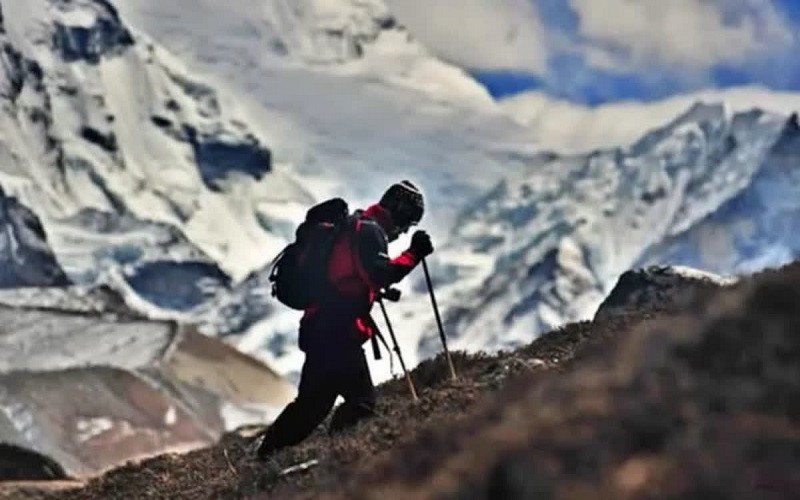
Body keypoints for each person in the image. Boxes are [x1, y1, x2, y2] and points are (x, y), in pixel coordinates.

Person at [257, 180, 434, 459]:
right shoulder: (370, 232)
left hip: (320, 329)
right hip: (339, 333)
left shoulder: (357, 226)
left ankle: (268, 455)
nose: (404, 232)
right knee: (361, 403)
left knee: (312, 405)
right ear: (398, 215)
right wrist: (414, 254)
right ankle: (338, 458)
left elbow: (349, 277)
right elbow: (379, 273)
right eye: (407, 224)